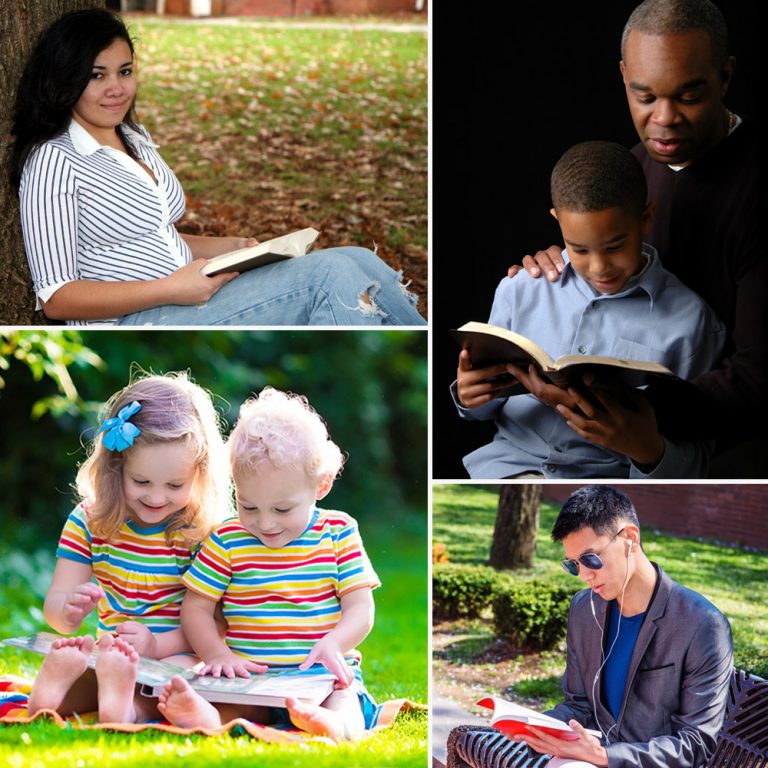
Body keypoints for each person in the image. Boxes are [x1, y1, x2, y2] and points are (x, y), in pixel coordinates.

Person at [10, 9, 426, 327]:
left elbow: (152, 235)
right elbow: (57, 296)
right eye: (96, 76)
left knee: (360, 261)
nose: (116, 88)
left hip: (188, 294)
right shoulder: (54, 160)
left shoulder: (132, 135)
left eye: (125, 71)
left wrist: (228, 248)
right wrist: (171, 288)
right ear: (64, 80)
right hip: (138, 321)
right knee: (329, 276)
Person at [510, 0, 764, 473]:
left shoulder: (755, 190)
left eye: (688, 97)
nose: (664, 120)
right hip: (604, 442)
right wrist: (565, 260)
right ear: (624, 75)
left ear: (725, 77)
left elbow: (759, 378)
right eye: (644, 97)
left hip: (721, 449)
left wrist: (634, 413)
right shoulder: (629, 171)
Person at [452, 141, 724, 479]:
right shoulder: (520, 289)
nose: (599, 268)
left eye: (614, 247)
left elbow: (697, 460)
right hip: (507, 467)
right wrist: (470, 397)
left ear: (646, 218)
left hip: (606, 480)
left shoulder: (691, 323)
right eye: (579, 248)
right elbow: (484, 411)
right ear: (557, 222)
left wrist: (646, 449)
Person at [156, 387, 381, 741]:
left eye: (282, 509)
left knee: (345, 699)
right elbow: (196, 608)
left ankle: (334, 725)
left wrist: (336, 643)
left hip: (321, 676)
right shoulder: (228, 539)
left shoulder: (337, 532)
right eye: (249, 506)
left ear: (320, 486)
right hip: (250, 678)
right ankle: (206, 717)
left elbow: (360, 608)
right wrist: (219, 655)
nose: (265, 523)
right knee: (232, 705)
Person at [27, 372, 230, 723]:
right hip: (112, 656)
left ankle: (120, 705)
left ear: (200, 473)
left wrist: (155, 646)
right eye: (141, 481)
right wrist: (69, 611)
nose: (155, 496)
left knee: (181, 679)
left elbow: (219, 625)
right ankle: (56, 697)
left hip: (177, 651)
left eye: (174, 484)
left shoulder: (202, 531)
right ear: (115, 467)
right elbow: (56, 613)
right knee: (98, 666)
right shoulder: (90, 519)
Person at [509, 485, 733, 768]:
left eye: (591, 559)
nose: (585, 576)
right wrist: (534, 728)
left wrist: (604, 756)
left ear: (630, 538)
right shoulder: (583, 609)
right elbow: (579, 705)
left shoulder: (702, 625)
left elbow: (695, 745)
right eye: (573, 565)